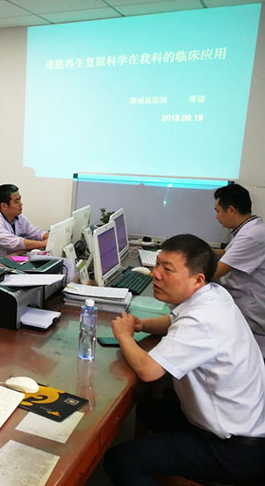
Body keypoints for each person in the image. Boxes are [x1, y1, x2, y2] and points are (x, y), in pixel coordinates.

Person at [104, 234, 265, 486]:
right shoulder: (214, 294)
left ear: (197, 279)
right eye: (157, 264)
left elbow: (148, 371)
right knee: (149, 410)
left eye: (167, 270)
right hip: (242, 423)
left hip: (232, 449)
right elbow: (173, 321)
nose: (156, 274)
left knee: (120, 460)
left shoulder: (201, 320)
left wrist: (124, 335)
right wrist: (142, 324)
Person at [212, 183, 265, 355]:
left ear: (231, 210)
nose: (216, 217)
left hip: (249, 311)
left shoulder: (251, 236)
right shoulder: (249, 229)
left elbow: (216, 272)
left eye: (218, 211)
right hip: (242, 303)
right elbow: (228, 253)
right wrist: (196, 249)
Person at [0, 184, 48, 265]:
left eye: (20, 200)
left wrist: (50, 237)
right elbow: (15, 243)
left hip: (10, 263)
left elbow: (36, 232)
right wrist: (44, 243)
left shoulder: (19, 218)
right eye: (16, 202)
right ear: (4, 206)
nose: (21, 204)